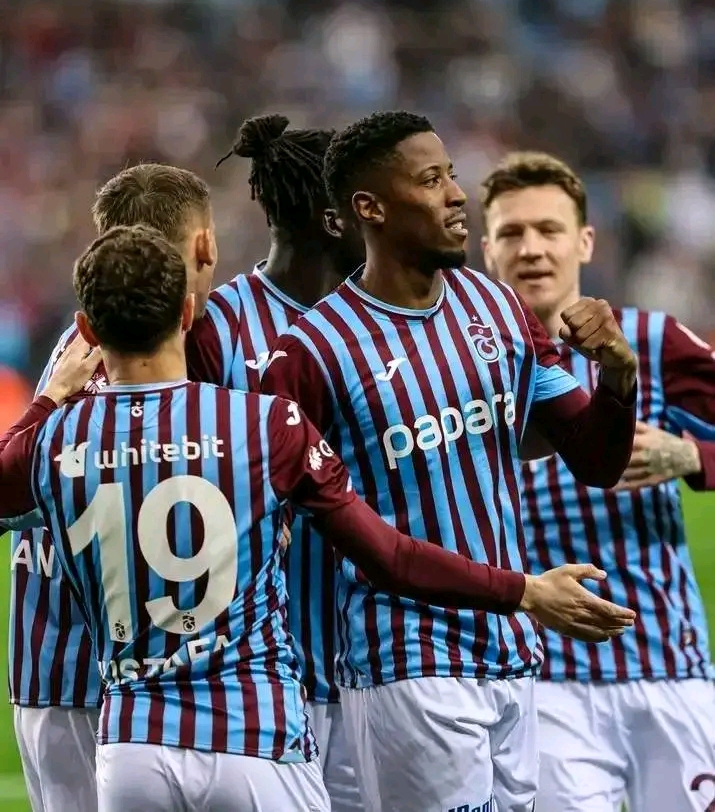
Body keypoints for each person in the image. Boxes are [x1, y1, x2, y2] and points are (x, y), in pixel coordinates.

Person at [0, 226, 633, 812]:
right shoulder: (264, 425)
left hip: (131, 746)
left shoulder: (55, 439)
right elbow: (387, 556)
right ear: (189, 314)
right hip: (255, 736)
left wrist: (49, 398)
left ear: (86, 327)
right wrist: (522, 590)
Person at [259, 110, 639, 812]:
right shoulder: (309, 353)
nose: (457, 195)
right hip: (408, 664)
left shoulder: (498, 309)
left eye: (452, 175)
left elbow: (595, 460)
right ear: (370, 208)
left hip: (511, 655)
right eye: (431, 180)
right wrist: (526, 592)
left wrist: (618, 375)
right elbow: (374, 552)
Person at [480, 150, 715, 812]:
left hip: (669, 670)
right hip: (542, 679)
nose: (531, 248)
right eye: (511, 232)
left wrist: (693, 456)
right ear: (486, 250)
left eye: (548, 229)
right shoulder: (460, 365)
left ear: (584, 241)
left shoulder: (653, 342)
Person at [9, 163, 218, 812]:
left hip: (71, 667)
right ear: (204, 245)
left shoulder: (88, 346)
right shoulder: (126, 368)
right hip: (88, 674)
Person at [187, 113, 366, 811]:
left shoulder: (383, 315)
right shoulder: (219, 326)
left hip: (384, 662)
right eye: (364, 203)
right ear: (332, 219)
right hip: (269, 673)